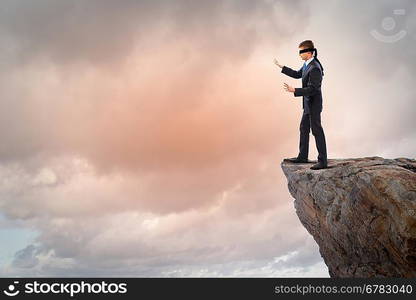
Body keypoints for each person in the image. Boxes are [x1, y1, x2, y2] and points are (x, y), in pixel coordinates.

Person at [274, 40, 328, 170]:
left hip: (314, 105)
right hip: (308, 105)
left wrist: (295, 90)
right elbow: (298, 74)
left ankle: (323, 161)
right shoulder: (306, 65)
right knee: (304, 128)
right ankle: (303, 156)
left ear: (309, 53)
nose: (299, 54)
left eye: (301, 52)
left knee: (317, 131)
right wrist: (282, 67)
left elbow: (313, 89)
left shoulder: (315, 68)